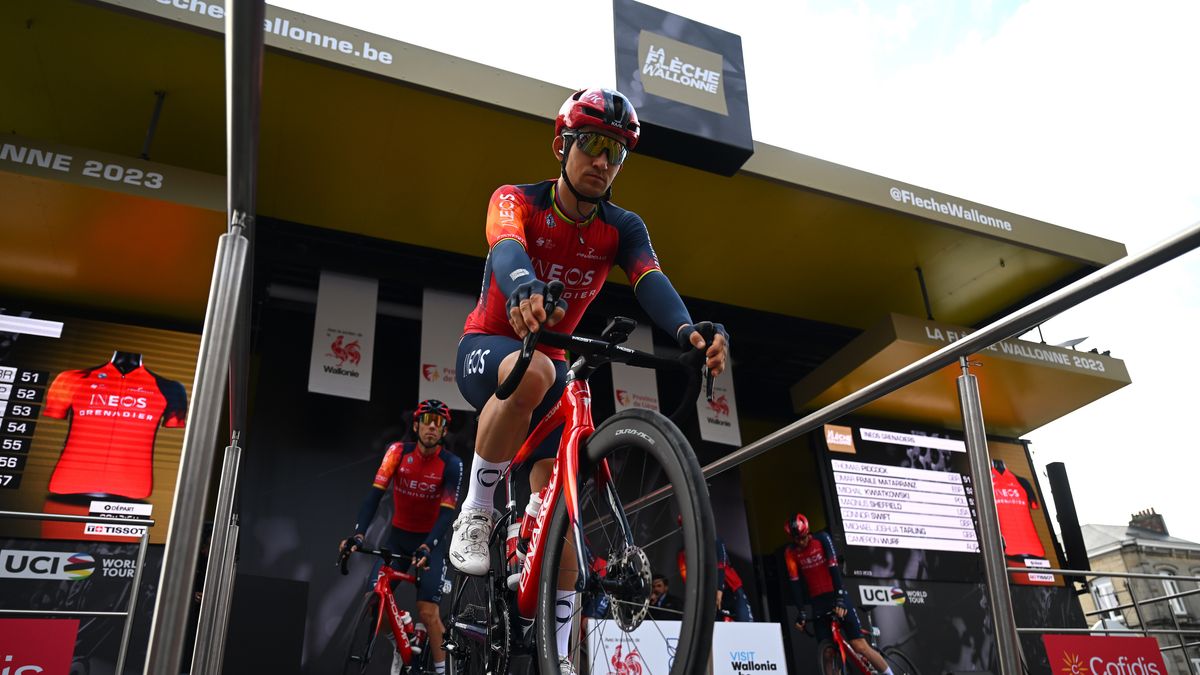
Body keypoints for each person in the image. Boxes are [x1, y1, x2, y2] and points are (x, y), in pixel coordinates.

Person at [449, 87, 729, 672]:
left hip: (551, 375)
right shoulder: (518, 199)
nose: (604, 161)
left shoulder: (622, 226)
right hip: (492, 350)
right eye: (594, 144)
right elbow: (504, 247)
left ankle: (560, 653)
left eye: (617, 152)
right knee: (537, 371)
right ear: (563, 144)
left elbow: (650, 278)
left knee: (567, 530)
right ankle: (477, 507)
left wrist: (685, 333)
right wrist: (524, 287)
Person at [342, 399, 462, 675]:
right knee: (376, 600)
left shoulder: (451, 464)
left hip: (430, 543)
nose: (432, 428)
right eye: (427, 421)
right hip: (397, 540)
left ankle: (443, 670)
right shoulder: (397, 452)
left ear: (444, 432)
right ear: (416, 425)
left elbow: (446, 514)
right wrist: (358, 533)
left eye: (439, 423)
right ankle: (401, 640)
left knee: (428, 612)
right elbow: (374, 496)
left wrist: (428, 546)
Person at [784, 513, 892, 675]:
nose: (801, 542)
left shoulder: (822, 539)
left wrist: (840, 599)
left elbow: (834, 569)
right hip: (818, 602)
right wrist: (801, 612)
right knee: (827, 653)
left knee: (859, 645)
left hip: (835, 594)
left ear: (808, 532)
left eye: (803, 537)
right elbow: (795, 584)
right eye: (796, 539)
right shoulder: (791, 553)